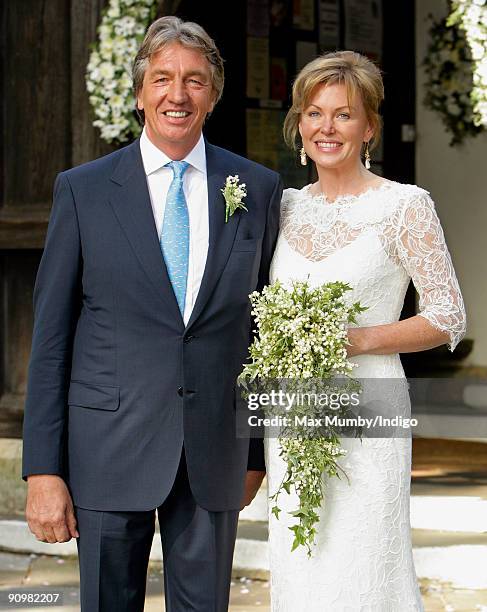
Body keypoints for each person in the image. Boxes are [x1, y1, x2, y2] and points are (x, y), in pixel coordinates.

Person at [22, 16, 282, 612]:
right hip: (105, 451)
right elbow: (52, 339)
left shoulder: (258, 188)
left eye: (194, 81)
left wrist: (253, 450)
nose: (177, 94)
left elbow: (264, 332)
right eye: (162, 78)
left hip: (215, 453)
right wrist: (43, 470)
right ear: (139, 92)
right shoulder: (82, 191)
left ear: (212, 96)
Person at [266, 51, 466, 611]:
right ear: (299, 124)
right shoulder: (280, 210)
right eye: (314, 113)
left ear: (369, 127)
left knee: (362, 562)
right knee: (301, 561)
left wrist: (358, 339)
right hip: (290, 413)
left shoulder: (404, 206)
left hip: (370, 406)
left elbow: (448, 315)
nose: (326, 128)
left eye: (344, 114)